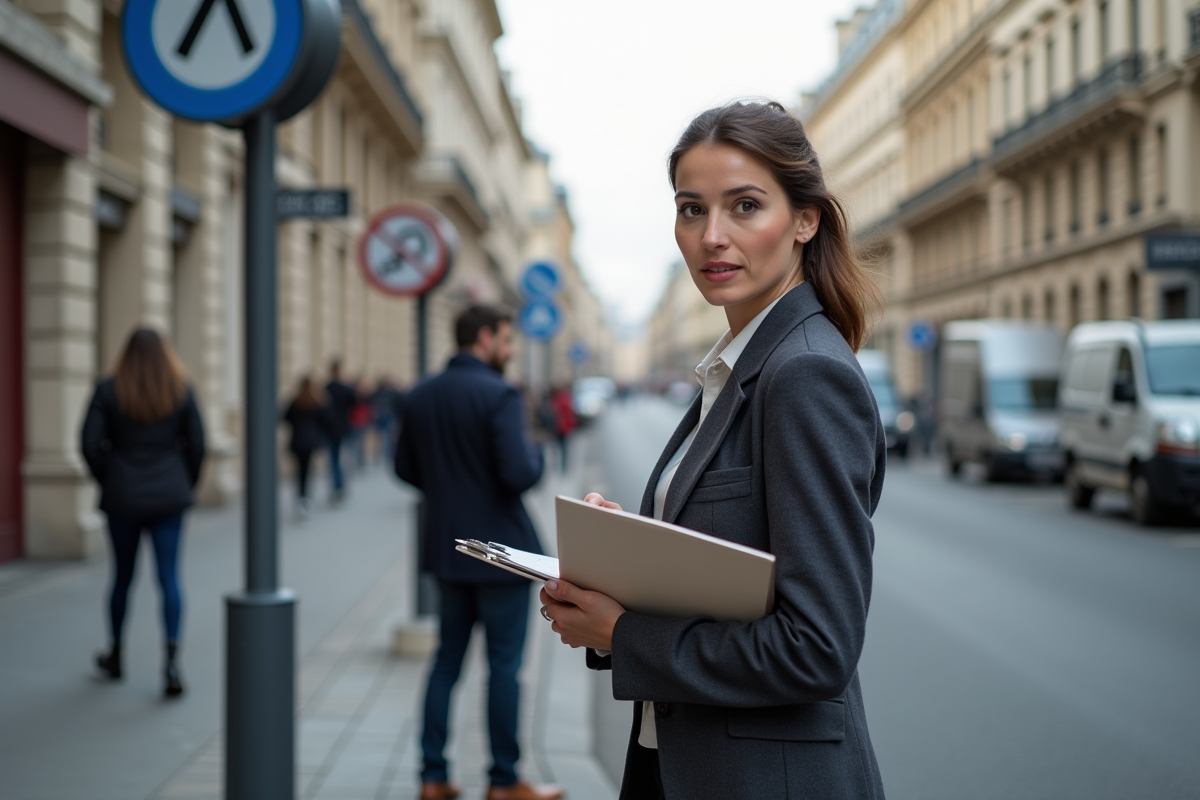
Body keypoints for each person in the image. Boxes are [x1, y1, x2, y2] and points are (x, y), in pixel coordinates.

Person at [538, 101, 888, 799]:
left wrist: (623, 633)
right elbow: (734, 577)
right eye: (691, 210)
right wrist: (628, 557)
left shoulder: (803, 373)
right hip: (686, 764)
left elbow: (816, 649)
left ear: (804, 220)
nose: (712, 237)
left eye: (745, 206)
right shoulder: (740, 365)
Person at [395, 304, 563, 800]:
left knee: (446, 662)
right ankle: (504, 781)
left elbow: (403, 467)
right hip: (500, 551)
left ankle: (431, 775)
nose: (510, 351)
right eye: (507, 341)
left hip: (447, 548)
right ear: (485, 338)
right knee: (504, 667)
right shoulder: (500, 395)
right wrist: (535, 452)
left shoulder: (421, 393)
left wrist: (446, 487)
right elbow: (519, 473)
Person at [80, 327, 206, 699]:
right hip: (169, 496)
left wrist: (111, 476)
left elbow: (89, 444)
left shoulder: (108, 389)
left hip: (123, 497)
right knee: (169, 578)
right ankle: (171, 663)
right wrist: (185, 482)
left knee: (122, 577)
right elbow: (198, 443)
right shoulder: (181, 388)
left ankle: (115, 653)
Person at [282, 376, 336, 516]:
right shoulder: (316, 401)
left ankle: (300, 497)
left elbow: (285, 418)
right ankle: (305, 499)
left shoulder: (295, 401)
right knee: (307, 470)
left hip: (297, 441)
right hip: (311, 441)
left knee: (299, 471)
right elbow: (327, 421)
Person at [324, 359, 356, 502]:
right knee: (342, 457)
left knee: (334, 459)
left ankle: (338, 486)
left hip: (330, 428)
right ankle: (341, 485)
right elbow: (354, 403)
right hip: (343, 427)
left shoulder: (326, 388)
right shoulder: (345, 388)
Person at [548, 385, 577, 474]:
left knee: (556, 448)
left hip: (556, 427)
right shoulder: (566, 399)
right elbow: (571, 414)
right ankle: (563, 467)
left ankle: (555, 466)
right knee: (564, 448)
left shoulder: (553, 401)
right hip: (564, 428)